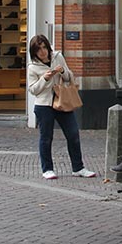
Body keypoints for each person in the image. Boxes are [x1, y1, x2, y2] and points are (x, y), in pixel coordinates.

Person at [27, 35, 97, 180]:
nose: (42, 52)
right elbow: (33, 90)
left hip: (62, 102)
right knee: (46, 138)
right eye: (38, 49)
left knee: (73, 134)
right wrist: (45, 78)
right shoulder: (32, 67)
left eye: (44, 47)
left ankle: (78, 167)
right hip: (44, 105)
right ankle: (47, 169)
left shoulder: (58, 57)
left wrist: (63, 72)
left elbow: (70, 77)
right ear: (34, 52)